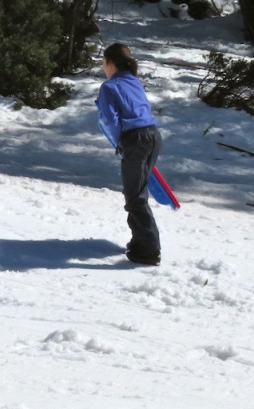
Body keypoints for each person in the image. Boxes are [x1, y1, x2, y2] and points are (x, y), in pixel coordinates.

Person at [96, 43, 163, 266]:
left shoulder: (108, 86)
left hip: (135, 140)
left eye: (103, 63)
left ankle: (149, 250)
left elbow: (110, 120)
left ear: (110, 63)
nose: (103, 68)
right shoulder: (134, 81)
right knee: (137, 193)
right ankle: (138, 241)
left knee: (135, 198)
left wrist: (120, 143)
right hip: (153, 136)